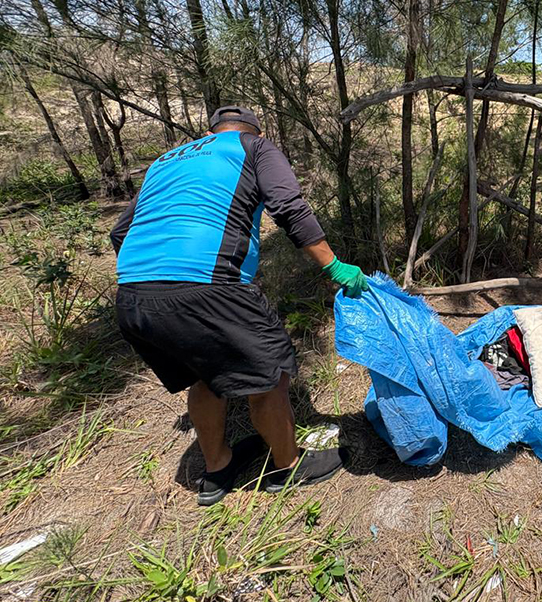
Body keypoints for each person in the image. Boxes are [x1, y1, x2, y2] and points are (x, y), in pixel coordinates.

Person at [110, 106, 369, 506]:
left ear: (209, 132)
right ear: (254, 129)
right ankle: (288, 467)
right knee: (271, 375)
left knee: (205, 376)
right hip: (210, 288)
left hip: (133, 298)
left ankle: (218, 469)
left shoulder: (166, 161)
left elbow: (120, 230)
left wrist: (157, 274)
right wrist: (334, 266)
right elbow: (289, 207)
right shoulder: (254, 147)